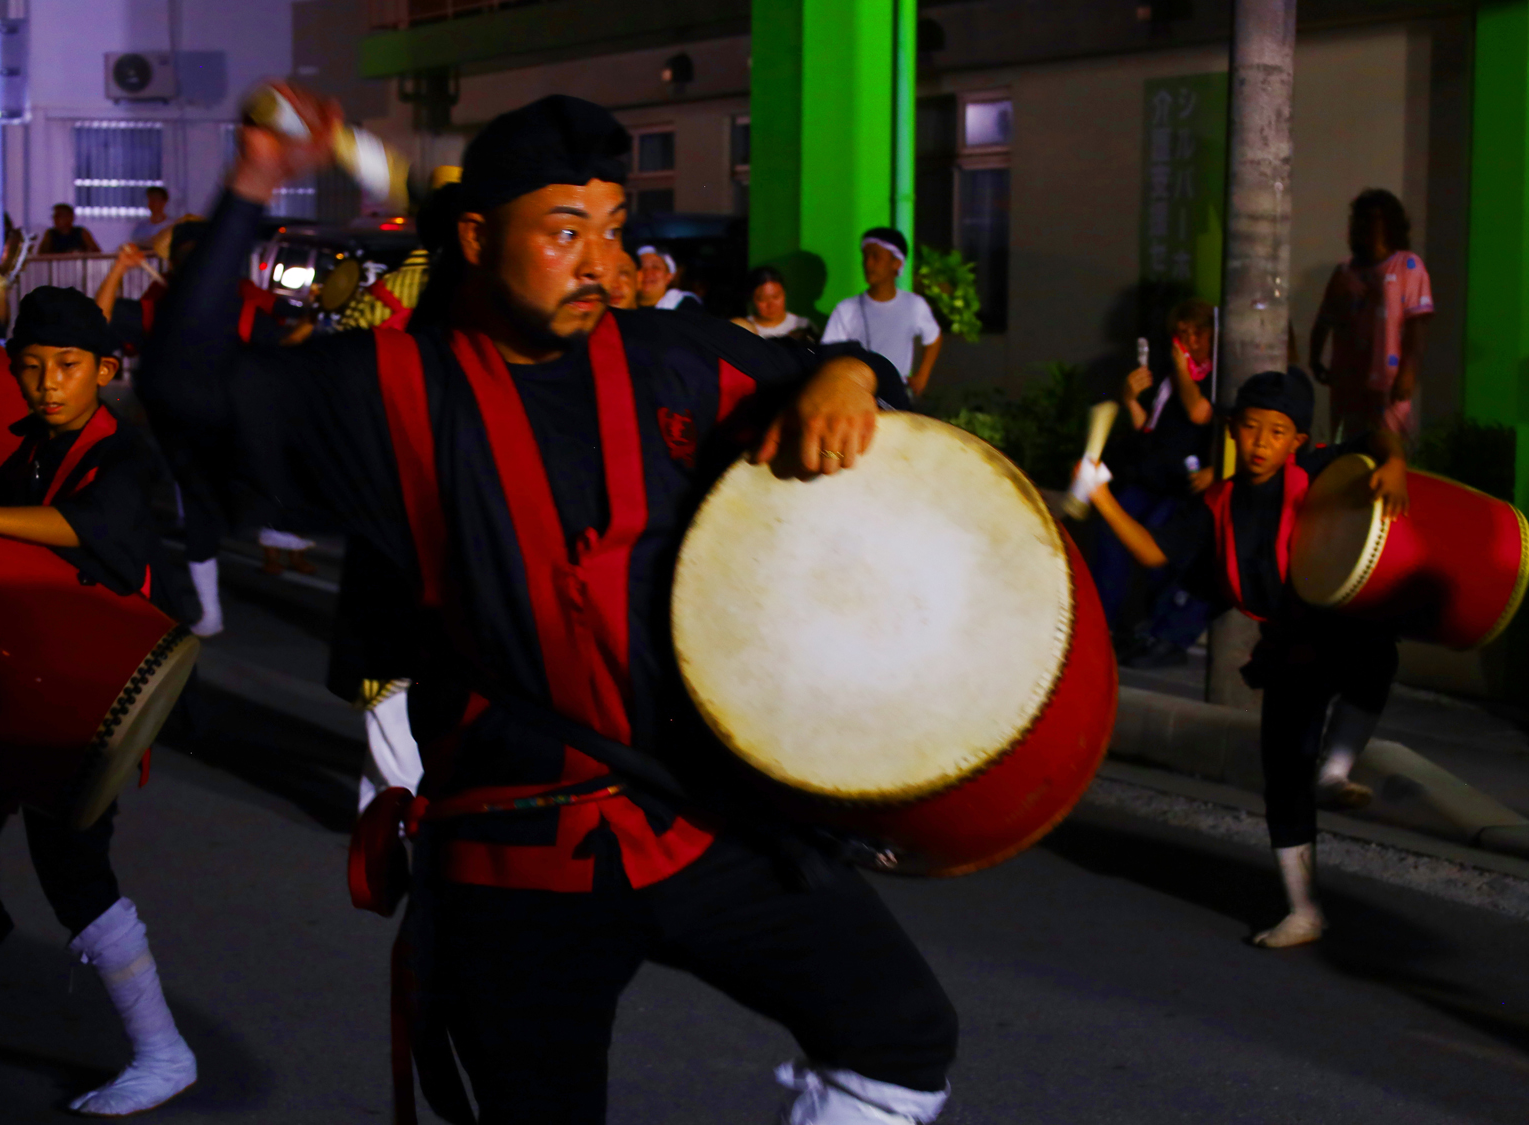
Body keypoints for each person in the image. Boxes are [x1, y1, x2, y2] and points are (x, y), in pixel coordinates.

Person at [143, 90, 957, 1125]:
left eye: (613, 232)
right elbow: (185, 391)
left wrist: (846, 369)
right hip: (515, 857)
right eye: (564, 232)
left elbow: (832, 381)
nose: (598, 263)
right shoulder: (382, 386)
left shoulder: (672, 357)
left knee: (900, 1036)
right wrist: (254, 179)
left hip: (698, 818)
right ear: (478, 239)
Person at [0, 285, 195, 1116]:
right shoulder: (34, 445)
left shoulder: (119, 455)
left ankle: (164, 1052)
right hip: (24, 672)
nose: (49, 382)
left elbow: (91, 524)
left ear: (104, 369)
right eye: (33, 366)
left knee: (72, 863)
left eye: (68, 366)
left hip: (88, 690)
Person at [1083, 368, 1409, 948]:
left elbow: (1374, 441)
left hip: (1337, 624)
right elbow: (1155, 552)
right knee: (1283, 775)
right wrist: (1100, 496)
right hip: (1288, 643)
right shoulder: (1218, 502)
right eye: (1251, 429)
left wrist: (1395, 463)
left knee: (1377, 654)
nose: (1261, 443)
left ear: (1297, 442)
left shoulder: (1315, 471)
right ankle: (1304, 909)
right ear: (1233, 431)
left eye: (1276, 432)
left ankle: (1336, 773)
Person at [98, 221, 283, 634]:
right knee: (201, 509)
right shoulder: (156, 312)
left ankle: (269, 540)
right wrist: (117, 271)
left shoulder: (249, 311)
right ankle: (209, 609)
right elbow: (99, 321)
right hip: (191, 435)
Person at [1098, 299, 1217, 667]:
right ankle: (1107, 629)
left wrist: (1183, 370)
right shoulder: (1169, 374)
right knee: (1111, 534)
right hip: (1150, 474)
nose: (1189, 341)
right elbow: (1150, 428)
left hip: (1181, 489)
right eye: (1182, 334)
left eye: (1197, 333)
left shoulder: (1215, 373)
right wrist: (1131, 399)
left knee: (1158, 543)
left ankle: (1155, 632)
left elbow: (1199, 412)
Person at [1309, 189, 1433, 441]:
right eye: (1360, 218)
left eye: (1373, 218)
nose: (1365, 225)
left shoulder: (1408, 266)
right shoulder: (1344, 272)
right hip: (1347, 381)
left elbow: (1416, 324)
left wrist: (1408, 372)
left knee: (1387, 448)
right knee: (1347, 453)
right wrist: (1315, 359)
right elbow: (1325, 319)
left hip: (1387, 383)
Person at [821, 228, 942, 403]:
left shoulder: (913, 305)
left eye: (876, 257)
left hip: (896, 395)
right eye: (865, 256)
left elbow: (934, 337)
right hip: (856, 394)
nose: (868, 264)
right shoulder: (846, 308)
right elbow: (829, 352)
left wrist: (922, 375)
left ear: (897, 263)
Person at [732, 265, 815, 340]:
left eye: (776, 297)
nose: (771, 305)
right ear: (751, 299)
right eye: (762, 299)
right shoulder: (743, 328)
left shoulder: (802, 325)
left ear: (784, 294)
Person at [634, 244, 703, 311]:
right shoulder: (625, 308)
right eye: (641, 267)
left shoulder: (686, 305)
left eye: (655, 267)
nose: (647, 272)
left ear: (668, 276)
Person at [37, 203, 102, 255]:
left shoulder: (81, 232)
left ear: (70, 217)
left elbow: (96, 254)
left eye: (58, 216)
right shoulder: (50, 234)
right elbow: (41, 255)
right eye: (54, 216)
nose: (55, 219)